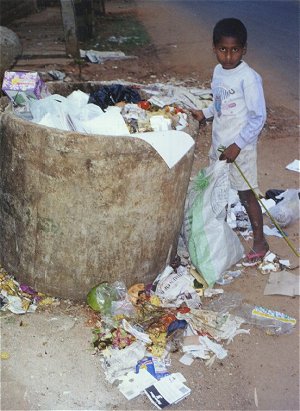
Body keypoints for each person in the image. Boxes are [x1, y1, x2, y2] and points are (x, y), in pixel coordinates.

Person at [191, 17, 269, 266]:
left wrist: (238, 145)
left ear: (243, 50)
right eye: (223, 50)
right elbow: (219, 103)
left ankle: (260, 241)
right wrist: (205, 113)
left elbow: (258, 118)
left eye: (234, 50)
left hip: (240, 149)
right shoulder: (217, 72)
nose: (228, 56)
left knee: (246, 194)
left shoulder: (249, 78)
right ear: (214, 48)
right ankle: (219, 239)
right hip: (220, 144)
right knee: (217, 191)